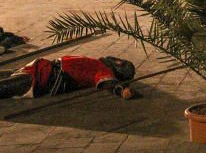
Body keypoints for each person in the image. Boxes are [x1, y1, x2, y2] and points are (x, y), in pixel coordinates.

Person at [0, 55, 135, 99]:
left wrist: (120, 91)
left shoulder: (104, 70)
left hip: (41, 79)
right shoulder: (97, 62)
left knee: (4, 87)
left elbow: (108, 83)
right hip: (37, 68)